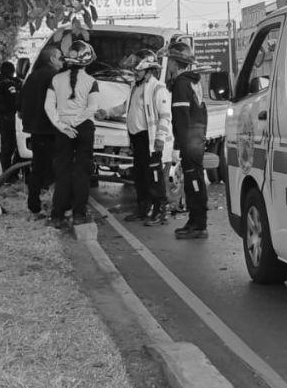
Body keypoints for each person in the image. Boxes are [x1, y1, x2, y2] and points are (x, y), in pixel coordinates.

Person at [96, 50, 171, 225]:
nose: (134, 72)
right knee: (140, 175)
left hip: (150, 140)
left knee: (154, 176)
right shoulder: (134, 86)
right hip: (137, 139)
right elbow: (125, 107)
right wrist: (106, 112)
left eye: (138, 70)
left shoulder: (157, 88)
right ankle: (143, 208)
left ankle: (160, 211)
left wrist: (160, 138)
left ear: (148, 70)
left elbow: (165, 116)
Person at [44, 41, 99, 228]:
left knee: (62, 172)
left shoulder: (56, 80)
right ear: (87, 60)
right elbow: (93, 107)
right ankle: (79, 214)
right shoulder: (91, 82)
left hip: (62, 130)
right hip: (83, 128)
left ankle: (57, 215)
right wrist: (76, 122)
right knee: (82, 173)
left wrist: (62, 125)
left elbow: (48, 107)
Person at [165, 42, 209, 239]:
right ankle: (195, 221)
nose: (169, 65)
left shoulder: (181, 84)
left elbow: (181, 118)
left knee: (193, 182)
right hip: (196, 136)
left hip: (189, 138)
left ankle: (198, 225)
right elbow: (202, 113)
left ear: (175, 63)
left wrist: (178, 145)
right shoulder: (193, 82)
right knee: (194, 180)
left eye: (170, 61)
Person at [19, 46, 64, 218]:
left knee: (37, 168)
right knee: (57, 168)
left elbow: (20, 102)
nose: (62, 61)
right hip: (52, 130)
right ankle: (56, 206)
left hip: (36, 131)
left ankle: (34, 205)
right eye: (60, 58)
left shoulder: (32, 77)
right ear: (52, 59)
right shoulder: (55, 77)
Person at [0, 61, 23, 179]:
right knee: (12, 147)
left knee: (8, 147)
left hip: (3, 118)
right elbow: (15, 100)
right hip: (10, 117)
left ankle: (8, 174)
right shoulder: (9, 83)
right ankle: (10, 174)